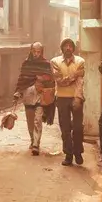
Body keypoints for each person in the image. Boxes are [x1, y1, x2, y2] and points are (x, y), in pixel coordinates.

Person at [13, 42, 56, 154]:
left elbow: (51, 80)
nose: (36, 54)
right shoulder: (26, 64)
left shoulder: (46, 64)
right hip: (27, 97)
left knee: (38, 120)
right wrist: (17, 92)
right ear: (31, 51)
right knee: (30, 121)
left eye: (39, 52)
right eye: (35, 51)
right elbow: (21, 79)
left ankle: (36, 144)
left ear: (42, 52)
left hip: (40, 96)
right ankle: (32, 140)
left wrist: (42, 78)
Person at [51, 38, 86, 166]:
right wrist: (74, 75)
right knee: (65, 127)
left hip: (76, 97)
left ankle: (78, 152)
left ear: (73, 48)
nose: (68, 48)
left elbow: (80, 82)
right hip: (61, 98)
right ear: (62, 48)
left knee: (78, 127)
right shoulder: (55, 61)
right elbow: (59, 80)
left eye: (70, 46)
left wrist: (77, 97)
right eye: (65, 46)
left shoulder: (80, 61)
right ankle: (68, 154)